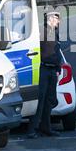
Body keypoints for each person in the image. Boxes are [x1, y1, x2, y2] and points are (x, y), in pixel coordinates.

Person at [27, 11, 62, 139]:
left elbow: (57, 52)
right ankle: (32, 129)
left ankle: (46, 128)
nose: (58, 22)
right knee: (40, 100)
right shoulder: (41, 31)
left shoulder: (55, 33)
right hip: (43, 69)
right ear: (50, 19)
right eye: (56, 19)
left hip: (53, 71)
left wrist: (58, 68)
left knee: (50, 100)